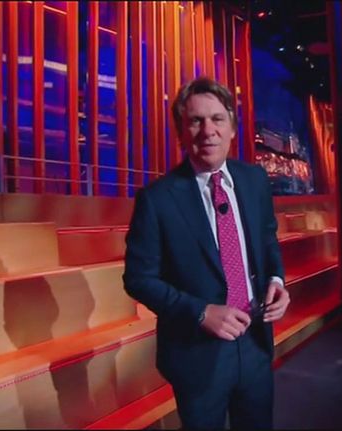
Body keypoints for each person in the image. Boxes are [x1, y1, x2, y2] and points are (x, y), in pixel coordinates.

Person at [123, 76, 290, 429]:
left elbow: (267, 238)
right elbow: (138, 279)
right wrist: (200, 312)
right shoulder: (157, 199)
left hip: (256, 342)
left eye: (217, 119)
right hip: (196, 355)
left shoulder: (254, 180)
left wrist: (277, 279)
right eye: (196, 121)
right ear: (181, 132)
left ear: (232, 128)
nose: (208, 131)